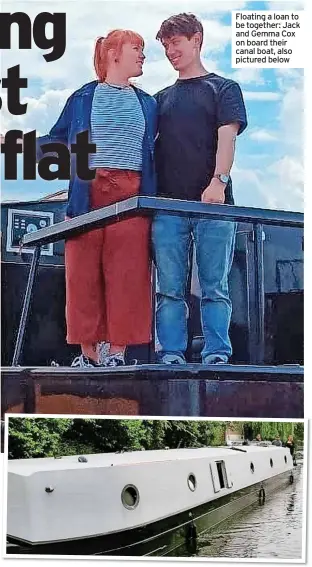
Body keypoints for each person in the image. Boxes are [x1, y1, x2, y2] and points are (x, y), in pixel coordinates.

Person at [35, 30, 156, 367]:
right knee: (83, 274)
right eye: (137, 49)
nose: (143, 55)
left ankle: (117, 353)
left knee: (128, 274)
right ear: (114, 53)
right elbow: (56, 140)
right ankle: (89, 354)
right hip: (87, 194)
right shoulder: (83, 98)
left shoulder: (149, 103)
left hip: (132, 195)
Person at [152, 13, 247, 365]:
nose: (170, 51)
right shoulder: (159, 98)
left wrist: (218, 182)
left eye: (176, 42)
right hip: (167, 208)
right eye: (165, 45)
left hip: (215, 206)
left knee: (215, 287)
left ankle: (217, 353)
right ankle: (172, 353)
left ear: (197, 40)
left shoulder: (224, 89)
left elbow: (228, 138)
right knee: (169, 289)